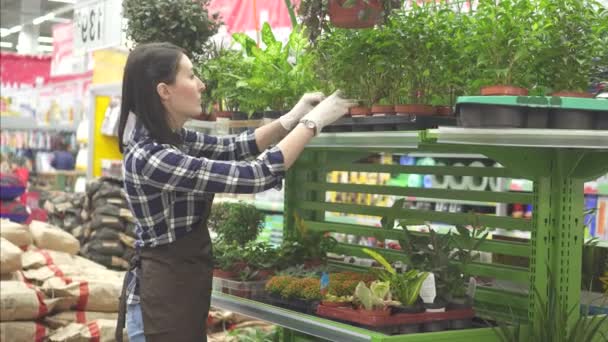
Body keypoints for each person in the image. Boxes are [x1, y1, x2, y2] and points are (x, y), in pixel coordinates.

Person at [115, 42, 355, 342]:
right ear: (164, 91)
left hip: (178, 292)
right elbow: (256, 175)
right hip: (160, 302)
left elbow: (234, 147)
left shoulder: (172, 138)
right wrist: (312, 123)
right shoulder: (151, 157)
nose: (201, 85)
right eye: (191, 76)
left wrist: (290, 118)